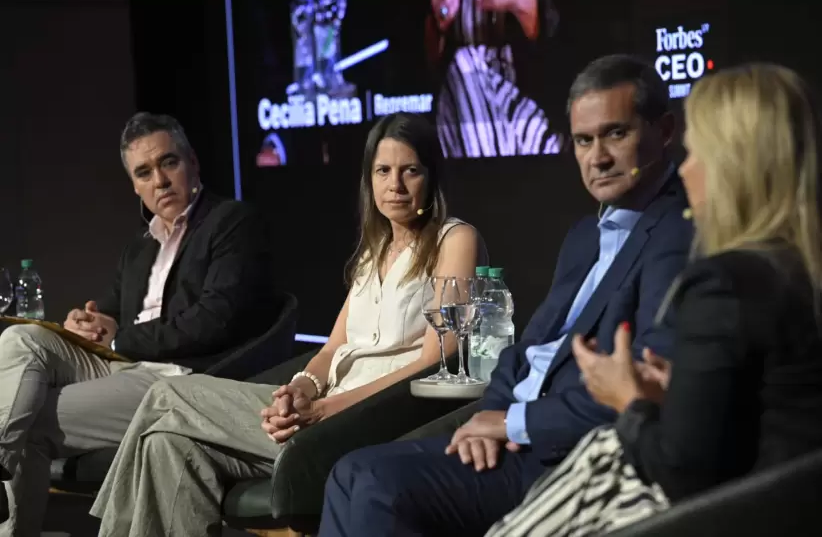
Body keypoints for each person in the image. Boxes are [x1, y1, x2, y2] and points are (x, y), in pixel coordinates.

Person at [318, 54, 694, 537]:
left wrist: (512, 423)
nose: (597, 157)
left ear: (664, 131)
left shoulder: (676, 236)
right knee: (347, 475)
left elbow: (641, 388)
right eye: (584, 140)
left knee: (372, 481)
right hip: (511, 430)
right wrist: (489, 416)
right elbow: (524, 351)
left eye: (615, 134)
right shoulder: (586, 234)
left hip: (565, 452)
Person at [89, 112, 488, 536]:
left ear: (431, 175)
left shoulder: (455, 240)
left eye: (410, 170)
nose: (396, 184)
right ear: (368, 180)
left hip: (370, 418)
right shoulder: (376, 250)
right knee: (166, 445)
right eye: (383, 171)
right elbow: (333, 348)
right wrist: (300, 390)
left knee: (165, 394)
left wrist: (326, 410)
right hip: (324, 408)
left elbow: (436, 359)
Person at [485, 63, 822, 536]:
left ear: (736, 166)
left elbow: (683, 471)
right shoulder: (795, 270)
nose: (685, 170)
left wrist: (627, 398)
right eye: (583, 141)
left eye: (696, 154)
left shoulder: (724, 282)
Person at [0, 112, 276, 534]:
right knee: (23, 336)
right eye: (144, 173)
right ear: (135, 186)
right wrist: (85, 322)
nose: (160, 181)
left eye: (169, 163)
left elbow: (214, 320)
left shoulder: (230, 222)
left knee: (30, 422)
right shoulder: (139, 246)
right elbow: (112, 311)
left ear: (192, 163)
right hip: (124, 363)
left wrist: (119, 339)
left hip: (175, 378)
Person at [428, 0, 563, 157]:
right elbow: (423, 59)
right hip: (460, 97)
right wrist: (441, 16)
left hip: (527, 92)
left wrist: (524, 3)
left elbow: (567, 43)